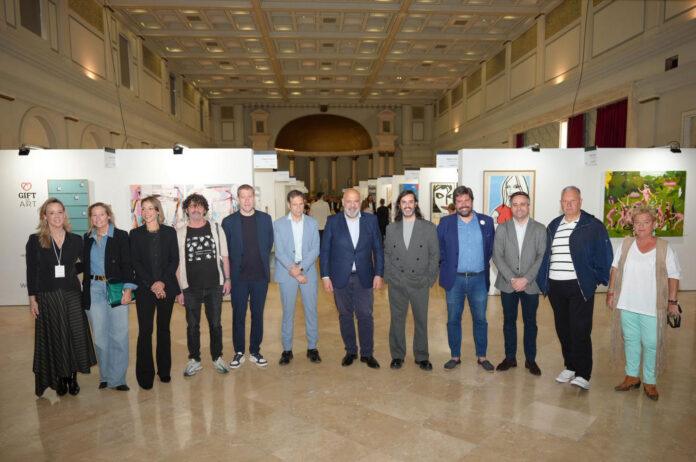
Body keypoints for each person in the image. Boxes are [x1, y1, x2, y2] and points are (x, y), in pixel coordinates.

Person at [537, 186, 613, 390]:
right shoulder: (554, 225)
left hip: (579, 285)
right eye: (565, 201)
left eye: (572, 200)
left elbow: (605, 255)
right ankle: (570, 366)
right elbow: (546, 254)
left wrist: (594, 279)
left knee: (580, 329)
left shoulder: (593, 225)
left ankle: (583, 373)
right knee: (563, 329)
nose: (568, 204)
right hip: (555, 285)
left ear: (580, 201)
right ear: (560, 203)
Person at [607, 205, 681, 401]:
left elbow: (674, 275)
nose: (641, 226)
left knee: (651, 343)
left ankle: (650, 381)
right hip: (627, 303)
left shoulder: (664, 247)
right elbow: (615, 268)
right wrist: (611, 292)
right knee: (630, 340)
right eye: (637, 222)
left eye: (645, 222)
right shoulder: (626, 244)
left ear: (654, 224)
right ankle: (632, 376)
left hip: (652, 306)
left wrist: (672, 302)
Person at [26, 198, 96, 397]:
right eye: (51, 212)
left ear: (64, 214)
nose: (56, 216)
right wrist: (32, 298)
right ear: (45, 216)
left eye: (59, 212)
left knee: (74, 335)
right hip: (48, 295)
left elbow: (85, 264)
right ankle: (60, 376)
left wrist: (72, 269)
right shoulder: (35, 240)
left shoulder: (76, 240)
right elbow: (32, 270)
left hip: (71, 293)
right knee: (56, 337)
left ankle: (72, 376)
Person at [321, 188, 384, 369]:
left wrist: (379, 273)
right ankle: (350, 351)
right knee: (345, 315)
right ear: (342, 202)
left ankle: (367, 353)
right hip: (340, 277)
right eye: (348, 201)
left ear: (360, 202)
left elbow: (378, 249)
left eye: (356, 201)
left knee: (365, 315)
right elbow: (325, 250)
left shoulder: (371, 220)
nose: (352, 205)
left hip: (364, 277)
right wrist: (325, 276)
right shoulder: (333, 221)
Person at [437, 186, 495, 371]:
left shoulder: (486, 221)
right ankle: (455, 356)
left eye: (466, 200)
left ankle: (482, 356)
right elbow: (439, 248)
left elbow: (490, 249)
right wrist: (446, 266)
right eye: (459, 201)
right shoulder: (445, 223)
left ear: (472, 201)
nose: (463, 204)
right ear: (455, 203)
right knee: (453, 319)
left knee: (480, 319)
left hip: (479, 279)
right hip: (455, 280)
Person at [176, 193, 232, 377]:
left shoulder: (215, 228)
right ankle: (195, 359)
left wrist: (228, 279)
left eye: (200, 206)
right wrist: (179, 289)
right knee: (192, 326)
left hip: (214, 285)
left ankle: (217, 357)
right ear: (186, 210)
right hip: (190, 287)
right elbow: (177, 263)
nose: (196, 209)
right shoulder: (180, 233)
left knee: (215, 324)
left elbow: (225, 256)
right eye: (192, 206)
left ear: (205, 209)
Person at [82, 202, 136, 391]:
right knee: (100, 337)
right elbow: (81, 264)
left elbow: (127, 263)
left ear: (109, 216)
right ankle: (105, 376)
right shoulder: (87, 238)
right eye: (94, 215)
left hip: (116, 288)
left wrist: (128, 289)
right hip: (93, 289)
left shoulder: (120, 236)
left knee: (119, 335)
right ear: (91, 218)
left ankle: (118, 379)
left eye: (102, 214)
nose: (98, 219)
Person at [492, 191, 546, 376]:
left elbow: (541, 257)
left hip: (530, 284)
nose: (519, 208)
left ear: (528, 206)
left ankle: (531, 360)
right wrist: (512, 279)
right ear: (510, 207)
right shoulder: (502, 228)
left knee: (531, 323)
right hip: (508, 284)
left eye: (523, 204)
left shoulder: (540, 229)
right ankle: (510, 358)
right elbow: (497, 255)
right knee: (509, 322)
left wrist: (526, 279)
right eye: (515, 204)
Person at [384, 190, 439, 371]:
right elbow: (387, 255)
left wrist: (429, 279)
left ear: (416, 204)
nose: (407, 205)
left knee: (421, 320)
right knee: (397, 320)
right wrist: (389, 277)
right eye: (403, 202)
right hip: (397, 283)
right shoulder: (391, 228)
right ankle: (397, 355)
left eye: (410, 202)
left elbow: (434, 255)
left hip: (419, 282)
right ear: (399, 206)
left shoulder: (428, 228)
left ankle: (422, 356)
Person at [130, 196, 180, 389]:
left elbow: (174, 260)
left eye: (151, 208)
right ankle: (145, 375)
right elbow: (135, 262)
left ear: (158, 211)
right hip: (145, 289)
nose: (147, 212)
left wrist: (161, 283)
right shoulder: (135, 234)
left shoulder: (169, 232)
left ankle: (164, 371)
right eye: (144, 209)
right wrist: (152, 284)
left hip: (167, 287)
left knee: (163, 329)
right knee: (145, 331)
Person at [221, 184, 274, 368]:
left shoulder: (265, 219)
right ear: (238, 199)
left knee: (258, 315)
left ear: (254, 198)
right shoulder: (228, 222)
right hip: (239, 278)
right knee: (239, 315)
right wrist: (227, 278)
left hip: (260, 277)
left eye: (249, 196)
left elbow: (268, 244)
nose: (246, 200)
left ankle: (255, 351)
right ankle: (239, 352)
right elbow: (225, 252)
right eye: (243, 197)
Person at [274, 190, 322, 365]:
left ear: (304, 204)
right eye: (294, 204)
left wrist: (300, 269)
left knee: (311, 311)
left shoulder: (312, 223)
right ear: (289, 205)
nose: (298, 208)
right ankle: (287, 350)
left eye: (301, 204)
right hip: (287, 273)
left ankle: (312, 348)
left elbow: (315, 248)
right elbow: (279, 251)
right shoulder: (278, 224)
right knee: (288, 312)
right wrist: (294, 270)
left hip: (307, 271)